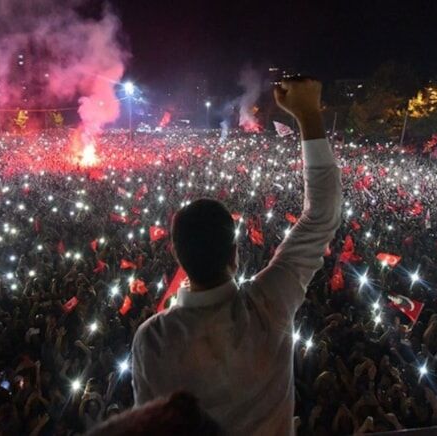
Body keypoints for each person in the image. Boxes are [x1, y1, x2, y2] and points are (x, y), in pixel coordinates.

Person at [130, 78, 342, 435]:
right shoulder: (268, 306)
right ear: (236, 251)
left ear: (175, 254)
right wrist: (308, 115)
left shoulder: (153, 339)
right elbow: (322, 214)